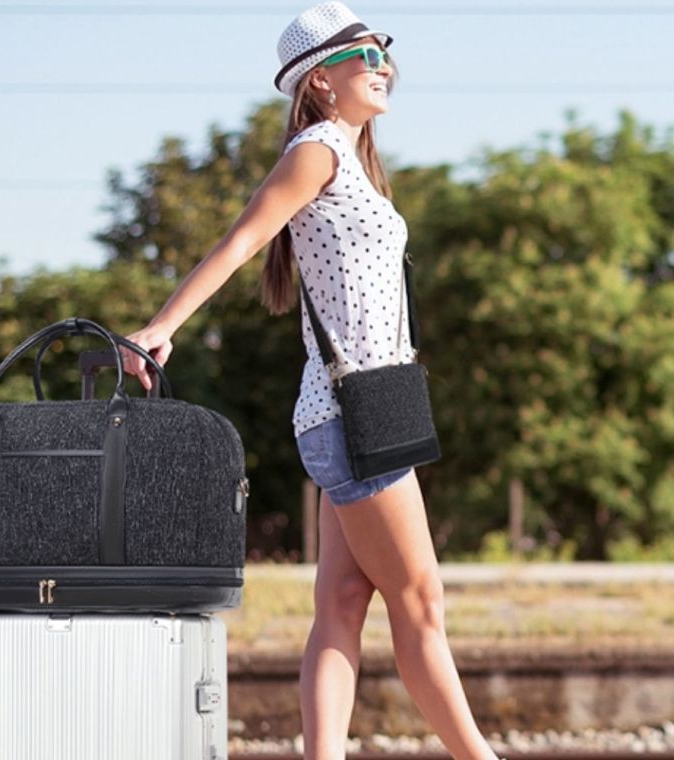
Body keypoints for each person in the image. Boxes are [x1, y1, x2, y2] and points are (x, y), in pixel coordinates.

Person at [122, 3, 505, 759]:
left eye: (384, 50)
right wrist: (162, 325)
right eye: (363, 55)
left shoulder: (352, 160)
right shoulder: (319, 148)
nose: (382, 65)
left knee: (341, 603)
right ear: (320, 80)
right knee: (420, 603)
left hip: (360, 407)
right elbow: (244, 239)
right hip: (351, 412)